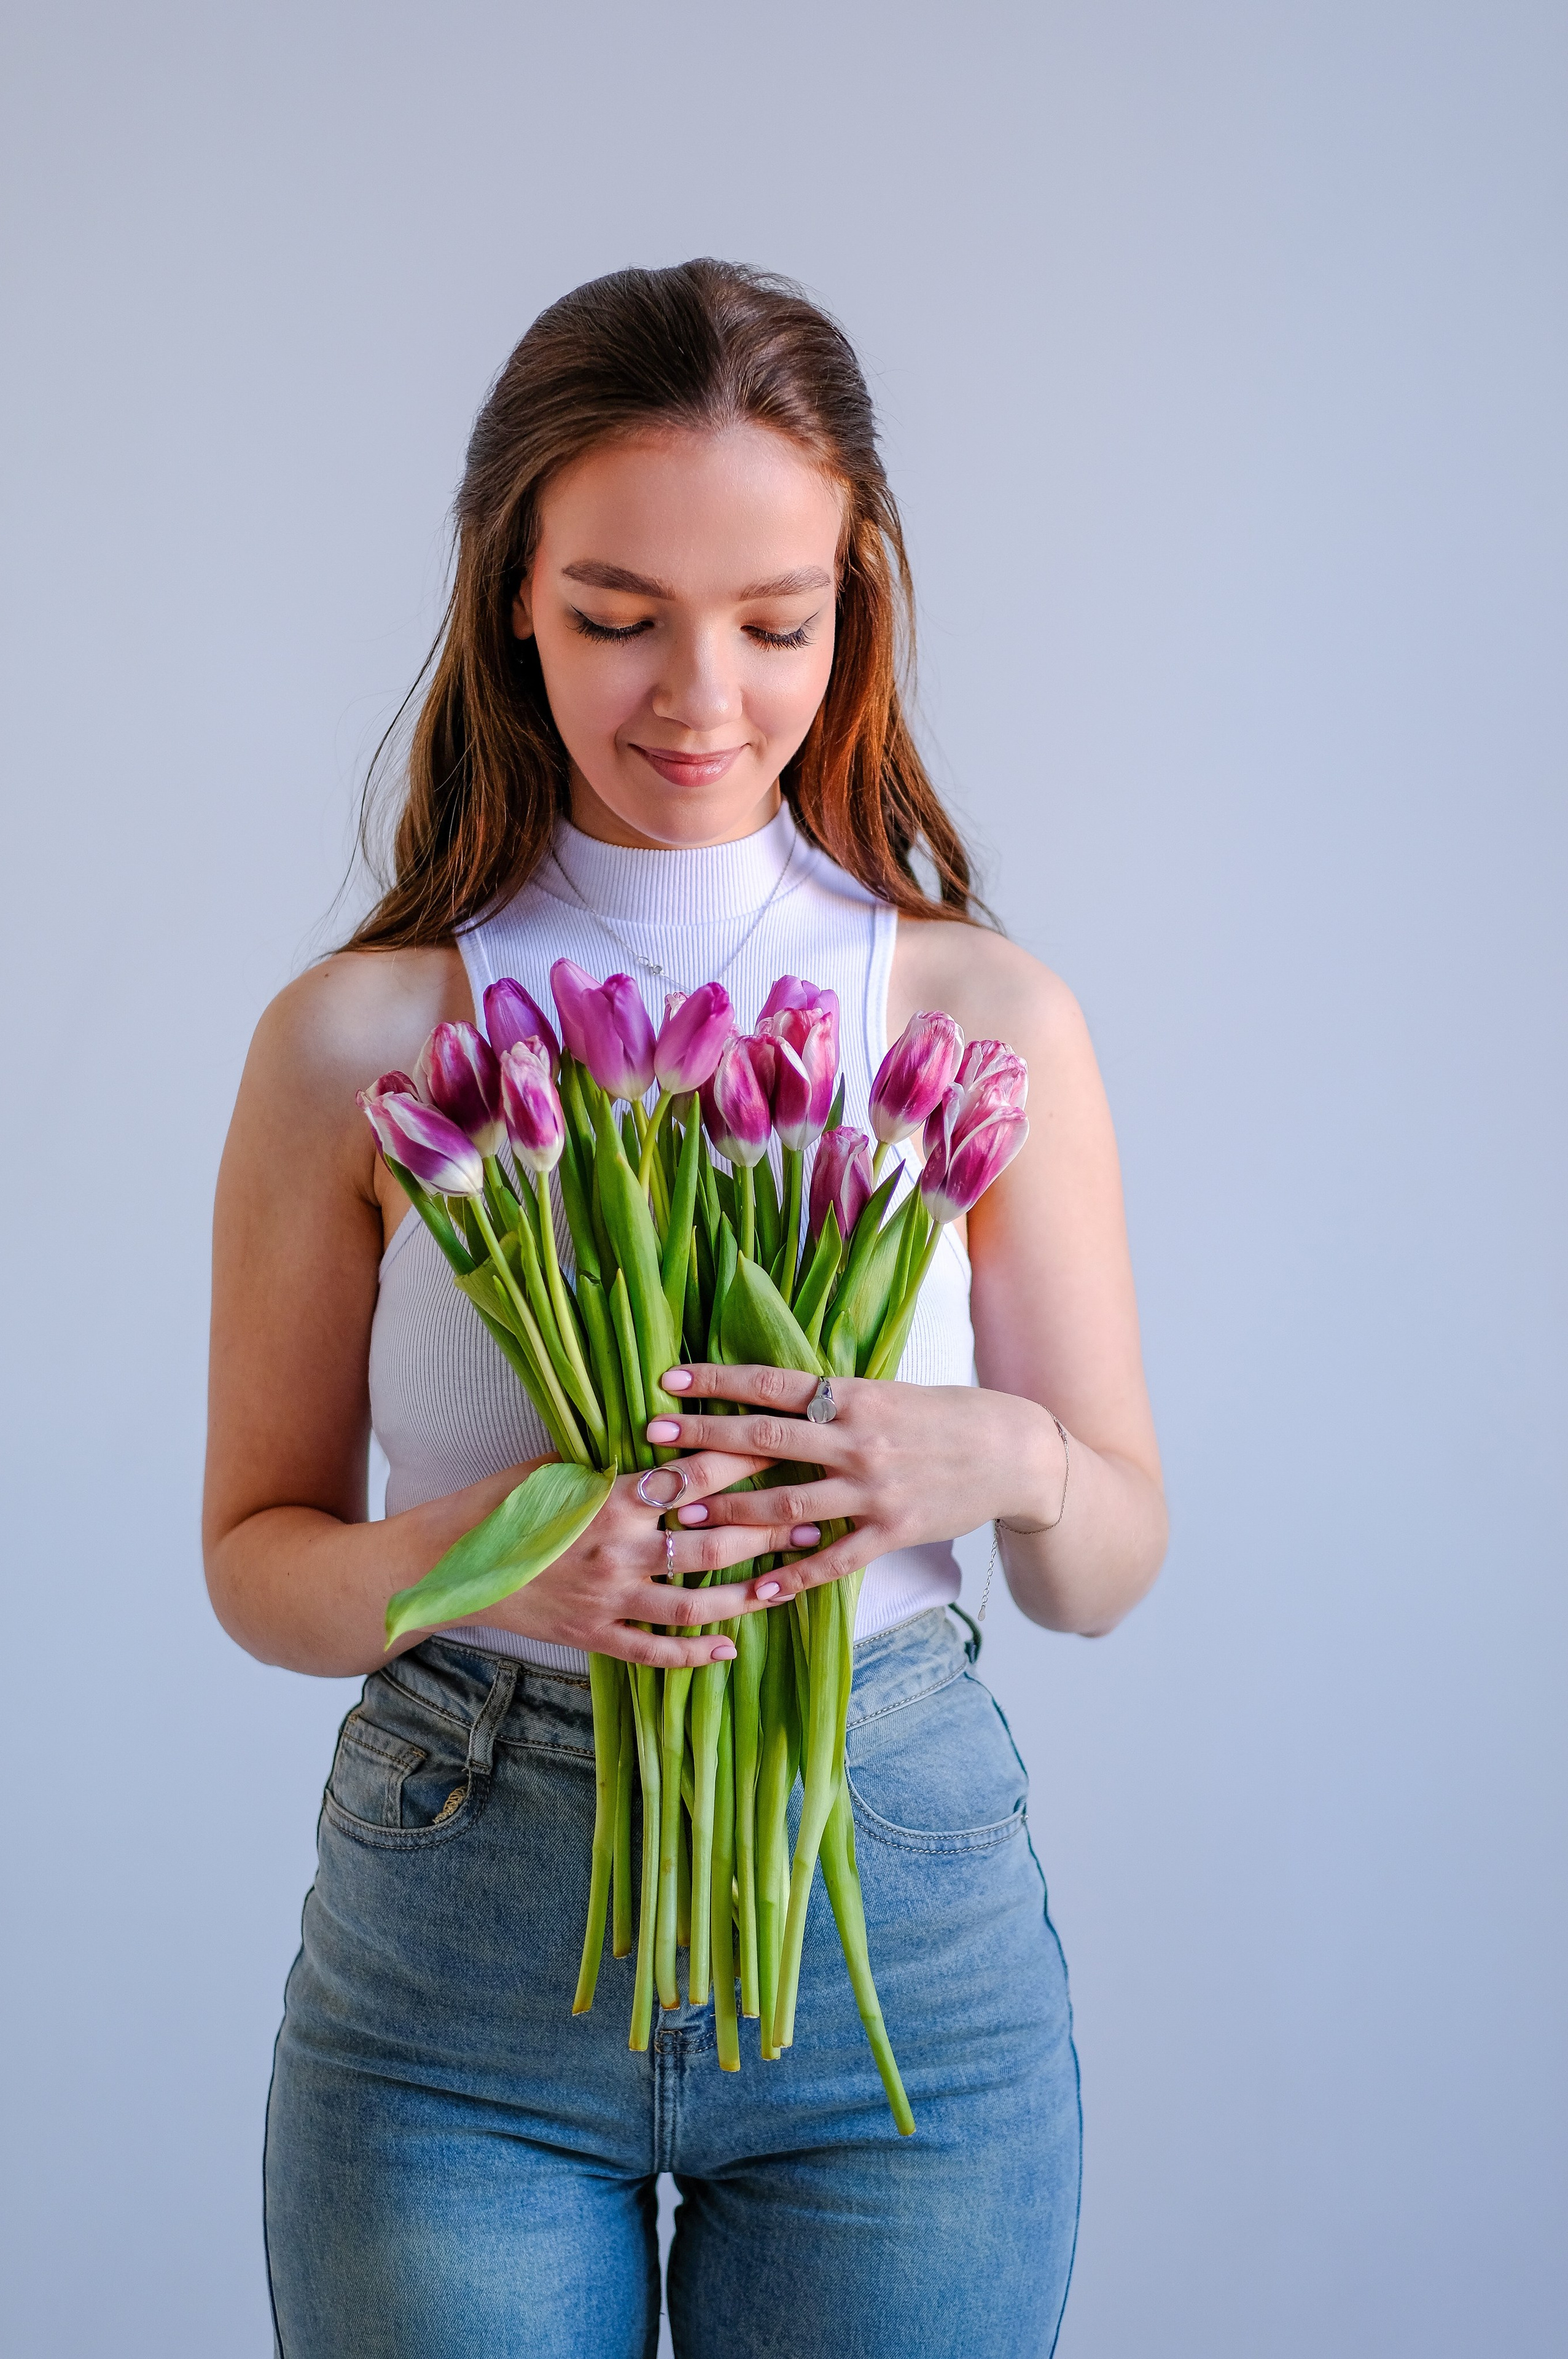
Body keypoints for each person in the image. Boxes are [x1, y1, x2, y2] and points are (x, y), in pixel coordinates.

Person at [205, 258, 1168, 2359]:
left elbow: (1101, 1568)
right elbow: (257, 1566)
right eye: (618, 616)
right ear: (513, 601)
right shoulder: (357, 1041)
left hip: (894, 1910)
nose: (699, 697)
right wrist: (498, 1556)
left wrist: (997, 1458)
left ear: (855, 603)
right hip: (464, 1942)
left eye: (775, 621)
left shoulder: (976, 1014)